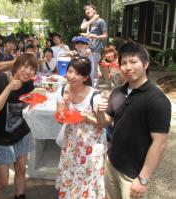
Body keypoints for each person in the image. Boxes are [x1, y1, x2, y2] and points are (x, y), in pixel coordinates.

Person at [96, 42, 171, 199]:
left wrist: (143, 179)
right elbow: (104, 123)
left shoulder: (157, 99)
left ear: (145, 64)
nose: (128, 67)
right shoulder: (117, 92)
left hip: (132, 175)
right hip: (111, 164)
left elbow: (160, 143)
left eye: (133, 61)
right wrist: (99, 112)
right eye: (123, 63)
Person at [55, 57, 107, 199]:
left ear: (85, 77)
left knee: (87, 184)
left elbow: (102, 124)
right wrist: (66, 104)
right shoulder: (63, 90)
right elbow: (60, 119)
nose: (71, 76)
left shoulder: (95, 96)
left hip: (90, 148)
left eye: (77, 73)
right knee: (70, 179)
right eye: (70, 71)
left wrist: (86, 117)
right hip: (71, 144)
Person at [0, 53, 38, 199]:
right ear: (16, 66)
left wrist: (32, 100)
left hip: (20, 132)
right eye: (25, 66)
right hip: (0, 137)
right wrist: (9, 87)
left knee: (21, 170)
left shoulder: (28, 84)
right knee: (3, 181)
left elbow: (20, 107)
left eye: (32, 69)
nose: (28, 72)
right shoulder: (3, 78)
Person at [81, 4, 108, 88]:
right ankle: (86, 88)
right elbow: (82, 27)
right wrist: (93, 19)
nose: (87, 11)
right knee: (85, 70)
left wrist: (95, 36)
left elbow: (105, 36)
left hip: (95, 50)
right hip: (86, 50)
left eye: (89, 9)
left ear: (94, 10)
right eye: (86, 10)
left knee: (93, 72)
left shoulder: (100, 21)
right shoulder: (86, 20)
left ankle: (93, 90)